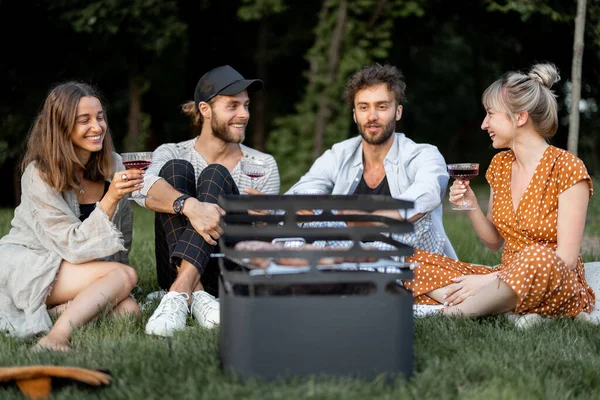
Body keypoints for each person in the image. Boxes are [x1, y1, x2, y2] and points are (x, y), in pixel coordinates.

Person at [404, 62, 596, 319]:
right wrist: (470, 203)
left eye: (491, 114)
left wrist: (487, 281)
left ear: (520, 117)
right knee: (407, 261)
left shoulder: (568, 168)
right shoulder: (500, 166)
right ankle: (493, 301)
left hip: (554, 280)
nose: (484, 124)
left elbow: (566, 260)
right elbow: (494, 242)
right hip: (502, 276)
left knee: (538, 257)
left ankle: (454, 312)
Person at [138, 65, 280, 337]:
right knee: (175, 170)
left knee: (215, 174)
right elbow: (143, 190)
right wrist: (191, 206)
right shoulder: (171, 151)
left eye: (246, 106)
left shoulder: (262, 164)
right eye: (233, 106)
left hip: (230, 267)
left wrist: (266, 220)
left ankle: (179, 294)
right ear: (205, 110)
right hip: (173, 264)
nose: (244, 115)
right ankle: (197, 292)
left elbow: (264, 243)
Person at [0, 81, 142, 351]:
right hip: (30, 264)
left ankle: (52, 314)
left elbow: (121, 237)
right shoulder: (39, 174)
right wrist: (110, 199)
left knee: (128, 311)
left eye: (100, 117)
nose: (97, 127)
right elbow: (73, 248)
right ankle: (54, 339)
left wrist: (114, 278)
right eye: (84, 120)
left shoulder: (115, 165)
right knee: (124, 276)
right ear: (61, 126)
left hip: (75, 273)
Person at [273, 63, 456, 258]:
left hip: (410, 259)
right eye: (363, 107)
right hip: (347, 253)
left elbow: (429, 193)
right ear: (354, 114)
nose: (372, 116)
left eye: (382, 106)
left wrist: (374, 218)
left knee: (414, 218)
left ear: (398, 112)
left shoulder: (423, 154)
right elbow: (302, 190)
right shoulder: (339, 154)